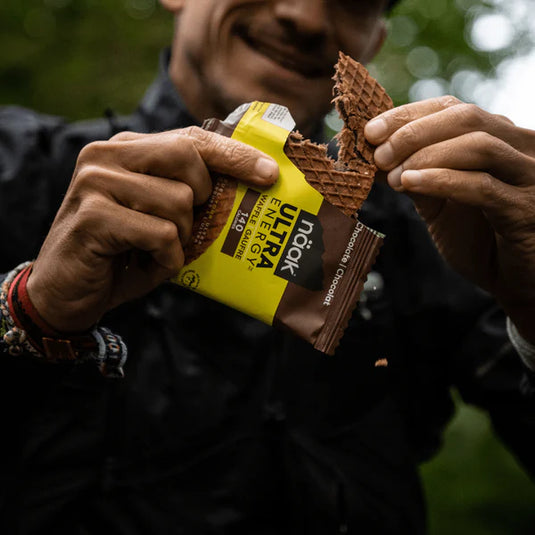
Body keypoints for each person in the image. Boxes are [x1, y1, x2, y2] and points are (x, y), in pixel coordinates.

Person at [1, 0, 534, 533]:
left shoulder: (446, 229)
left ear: (372, 42)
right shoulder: (19, 169)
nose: (304, 16)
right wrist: (31, 309)